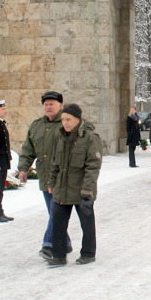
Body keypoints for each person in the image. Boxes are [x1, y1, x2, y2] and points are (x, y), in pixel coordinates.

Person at [46, 103, 103, 266]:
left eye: (68, 119)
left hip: (82, 189)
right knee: (57, 222)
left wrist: (87, 190)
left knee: (87, 223)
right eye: (63, 119)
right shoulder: (60, 136)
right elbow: (54, 162)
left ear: (77, 119)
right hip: (62, 188)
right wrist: (51, 181)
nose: (65, 123)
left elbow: (93, 166)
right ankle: (58, 255)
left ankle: (88, 253)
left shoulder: (90, 138)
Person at [17, 91, 70, 259]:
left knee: (55, 212)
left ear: (60, 105)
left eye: (52, 104)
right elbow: (28, 149)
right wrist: (23, 168)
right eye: (46, 104)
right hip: (44, 176)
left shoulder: (67, 123)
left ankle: (49, 245)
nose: (48, 107)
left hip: (62, 177)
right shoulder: (36, 125)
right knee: (54, 213)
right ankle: (65, 242)